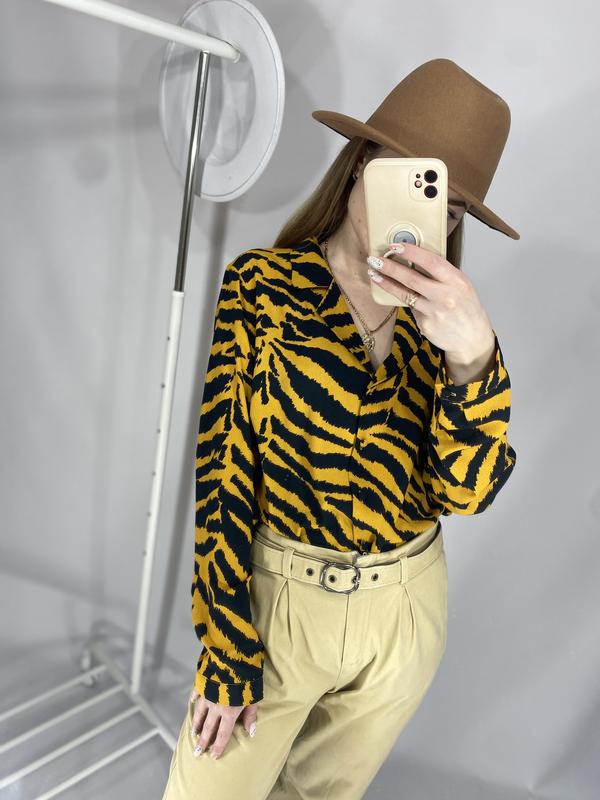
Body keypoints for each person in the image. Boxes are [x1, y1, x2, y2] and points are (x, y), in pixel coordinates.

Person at [161, 57, 518, 800]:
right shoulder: (262, 288)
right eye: (409, 181)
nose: (429, 217)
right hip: (279, 605)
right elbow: (223, 472)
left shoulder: (450, 328)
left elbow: (463, 494)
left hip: (405, 612)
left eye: (450, 209)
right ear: (360, 166)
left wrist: (473, 359)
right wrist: (225, 642)